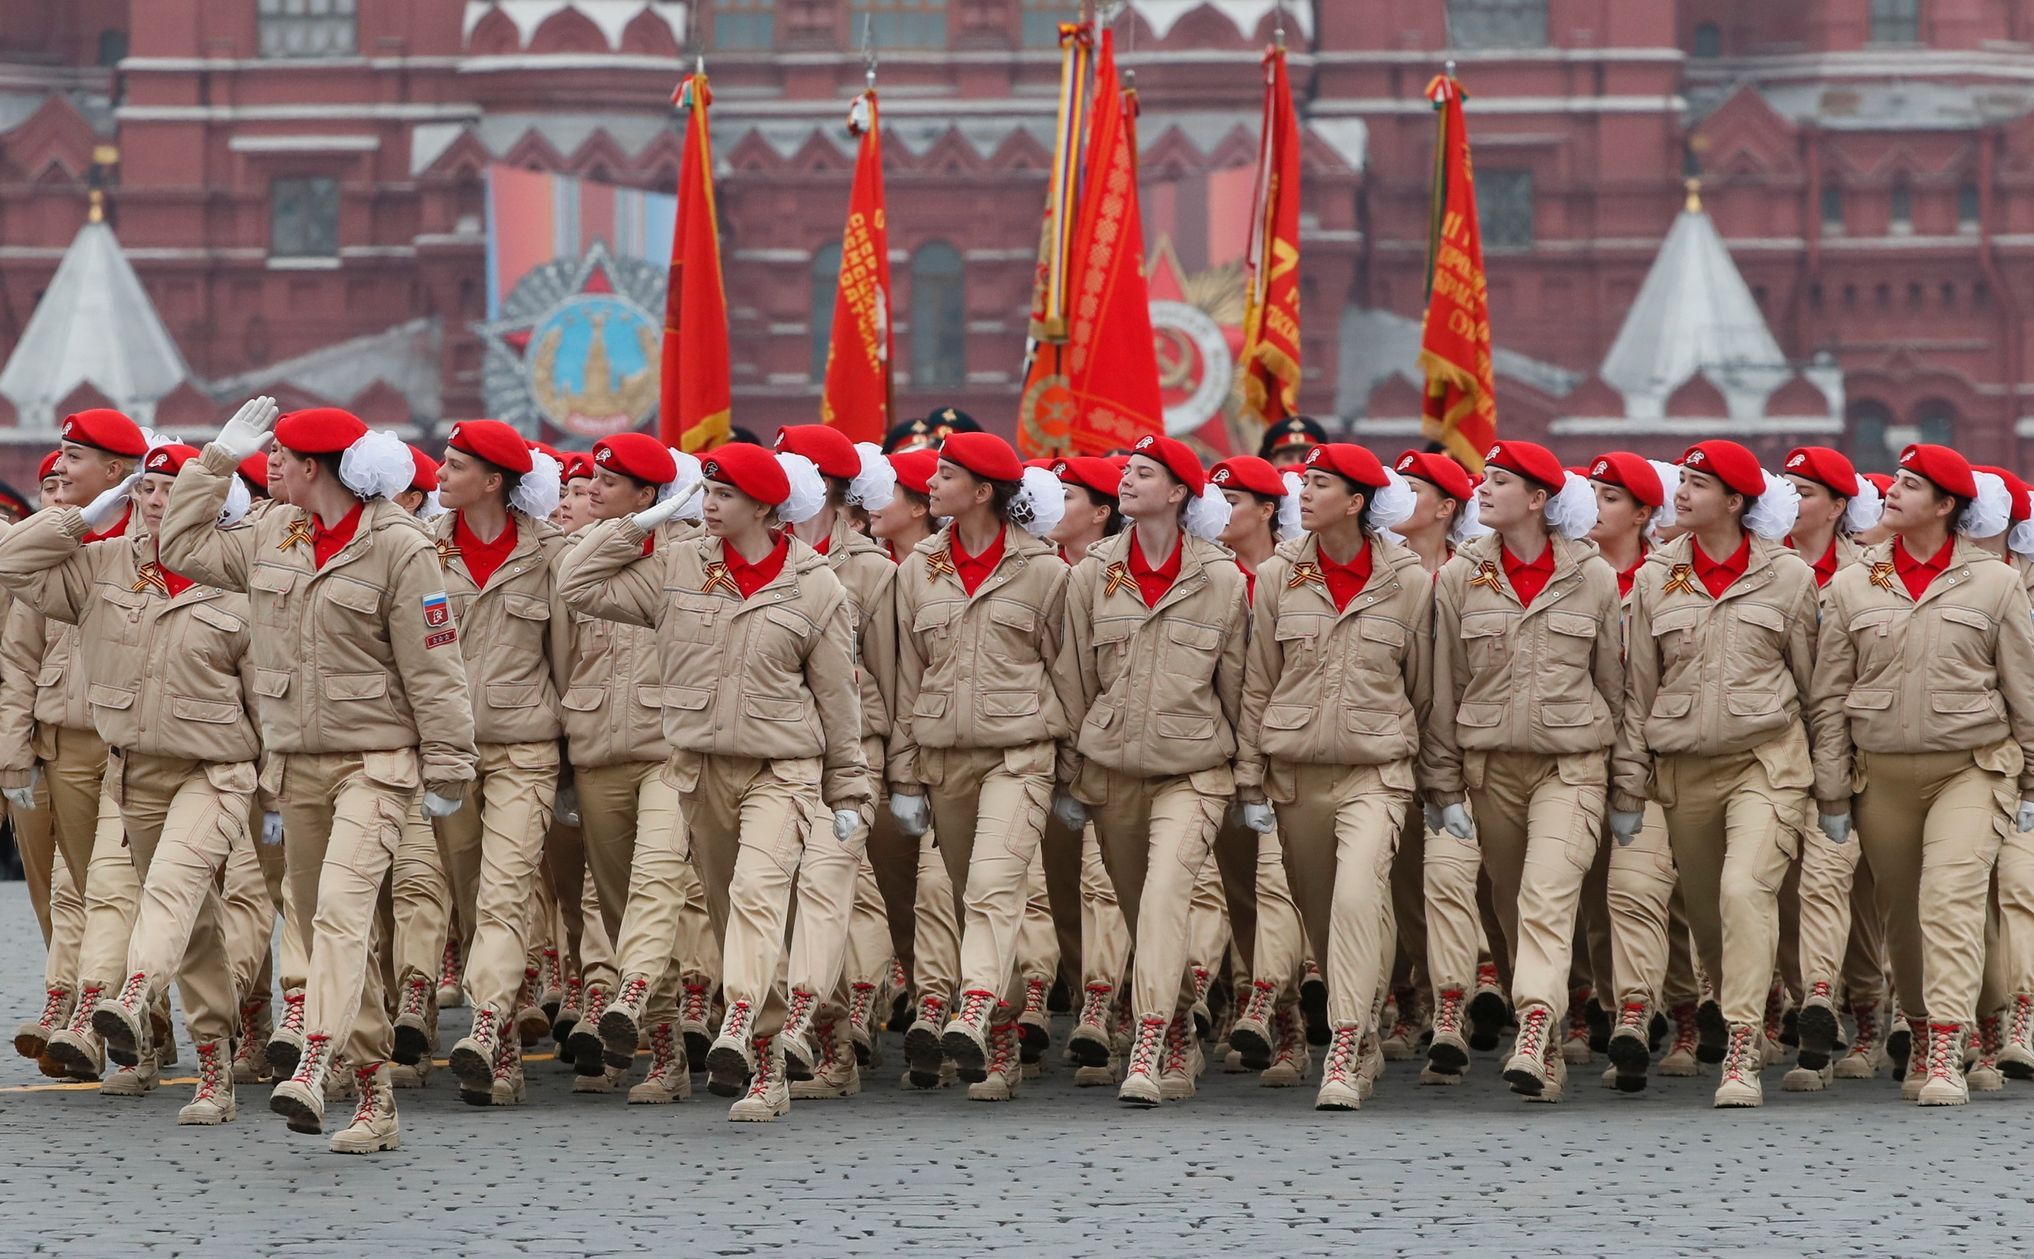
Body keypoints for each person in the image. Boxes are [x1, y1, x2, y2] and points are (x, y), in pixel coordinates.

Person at [159, 399, 477, 1153]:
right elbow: (179, 544)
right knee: (329, 926)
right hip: (296, 764)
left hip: (378, 764)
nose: (267, 471)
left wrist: (450, 764)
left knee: (338, 911)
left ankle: (315, 1055)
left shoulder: (400, 544)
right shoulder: (275, 529)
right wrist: (213, 463)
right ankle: (375, 1100)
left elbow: (435, 663)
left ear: (311, 468)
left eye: (278, 459)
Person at [559, 442, 871, 1123]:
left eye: (725, 495)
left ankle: (740, 1030)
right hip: (699, 769)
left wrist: (848, 792)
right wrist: (632, 528)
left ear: (764, 505)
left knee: (758, 897)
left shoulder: (816, 584)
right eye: (704, 492)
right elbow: (574, 585)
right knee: (732, 914)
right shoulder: (675, 566)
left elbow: (839, 700)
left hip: (779, 770)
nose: (708, 506)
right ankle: (764, 1056)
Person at [0, 442, 260, 1124]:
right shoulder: (101, 566)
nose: (153, 501)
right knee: (194, 922)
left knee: (171, 885)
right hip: (135, 769)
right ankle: (214, 1066)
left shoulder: (239, 576)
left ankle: (135, 994)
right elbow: (10, 563)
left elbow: (272, 695)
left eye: (171, 489)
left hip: (218, 770)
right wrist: (82, 517)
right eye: (144, 489)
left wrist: (280, 787)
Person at [1812, 443, 2034, 1105]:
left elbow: (2024, 688)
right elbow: (1830, 694)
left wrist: (2030, 783)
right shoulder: (1853, 582)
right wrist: (1830, 786)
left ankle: (1946, 1049)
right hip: (1881, 775)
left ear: (1946, 505)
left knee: (1951, 900)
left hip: (1971, 769)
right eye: (1895, 481)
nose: (1895, 492)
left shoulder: (1996, 583)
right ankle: (1921, 1023)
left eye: (1913, 485)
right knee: (1901, 917)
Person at [1613, 440, 1826, 1108]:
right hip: (1682, 769)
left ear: (1736, 501)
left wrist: (1833, 785)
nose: (1682, 492)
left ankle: (1741, 1044)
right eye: (1681, 479)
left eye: (1699, 484)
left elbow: (1815, 685)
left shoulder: (1788, 577)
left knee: (1743, 891)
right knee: (1710, 916)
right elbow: (1636, 691)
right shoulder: (1655, 576)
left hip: (1767, 761)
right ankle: (1752, 999)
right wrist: (1629, 784)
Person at [1233, 443, 1430, 1110]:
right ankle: (1364, 1024)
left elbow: (1425, 690)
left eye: (1319, 483)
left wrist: (1443, 785)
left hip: (1377, 770)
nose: (1304, 492)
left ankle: (1344, 1041)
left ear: (1355, 502)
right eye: (1304, 481)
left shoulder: (1408, 580)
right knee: (1321, 912)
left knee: (1354, 897)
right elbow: (1258, 679)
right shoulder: (1278, 573)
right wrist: (1250, 777)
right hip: (1295, 772)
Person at [1053, 433, 1248, 1106]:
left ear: (1177, 492)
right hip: (1113, 772)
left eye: (1143, 472)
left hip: (1194, 770)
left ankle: (1150, 1032)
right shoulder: (1093, 573)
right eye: (1125, 471)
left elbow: (1239, 687)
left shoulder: (1220, 578)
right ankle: (1182, 1031)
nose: (1127, 480)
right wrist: (1075, 773)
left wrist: (1247, 780)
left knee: (1166, 894)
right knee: (1144, 910)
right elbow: (1074, 677)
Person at [1427, 439, 1621, 1103]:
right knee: (1511, 908)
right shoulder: (1461, 575)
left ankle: (1534, 1028)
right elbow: (1445, 685)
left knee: (1546, 896)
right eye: (1484, 478)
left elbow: (1616, 684)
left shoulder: (1592, 576)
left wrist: (1624, 787)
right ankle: (1542, 1015)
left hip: (1571, 765)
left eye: (1501, 480)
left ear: (1539, 499)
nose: (1483, 488)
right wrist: (1445, 783)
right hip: (1490, 769)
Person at [888, 432, 1072, 1102]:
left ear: (984, 491)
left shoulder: (1045, 571)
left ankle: (973, 1010)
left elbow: (1068, 672)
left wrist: (1071, 770)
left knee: (993, 890)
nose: (930, 485)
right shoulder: (919, 568)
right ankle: (1003, 1029)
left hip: (1019, 755)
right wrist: (905, 777)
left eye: (945, 474)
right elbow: (906, 678)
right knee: (972, 898)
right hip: (944, 760)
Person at [557, 433, 718, 1102]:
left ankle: (639, 1013)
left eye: (610, 484)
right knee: (623, 907)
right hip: (598, 747)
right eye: (593, 480)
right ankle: (663, 1044)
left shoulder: (690, 560)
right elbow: (572, 604)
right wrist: (627, 528)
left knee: (657, 883)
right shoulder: (584, 553)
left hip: (665, 748)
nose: (592, 490)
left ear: (649, 494)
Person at [421, 420, 569, 1108]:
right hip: (449, 756)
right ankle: (501, 1036)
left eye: (455, 466)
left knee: (507, 887)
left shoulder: (551, 556)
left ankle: (485, 1026)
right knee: (472, 890)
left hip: (524, 749)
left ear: (494, 481)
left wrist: (569, 761)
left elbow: (566, 661)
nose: (441, 476)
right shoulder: (422, 552)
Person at [3, 412, 148, 1079]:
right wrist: (13, 753)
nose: (58, 474)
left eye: (72, 459)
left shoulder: (149, 544)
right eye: (53, 466)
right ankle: (74, 1007)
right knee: (57, 890)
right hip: (54, 740)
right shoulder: (58, 546)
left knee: (111, 888)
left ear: (116, 469)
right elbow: (18, 660)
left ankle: (128, 1016)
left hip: (126, 743)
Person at [1778, 446, 1893, 1086]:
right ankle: (1814, 1013)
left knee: (1856, 891)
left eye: (1806, 491)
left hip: (1854, 752)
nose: (1791, 501)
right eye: (1786, 488)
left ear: (1840, 505)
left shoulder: (1869, 571)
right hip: (1777, 749)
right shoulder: (1765, 567)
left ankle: (1870, 1016)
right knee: (1795, 892)